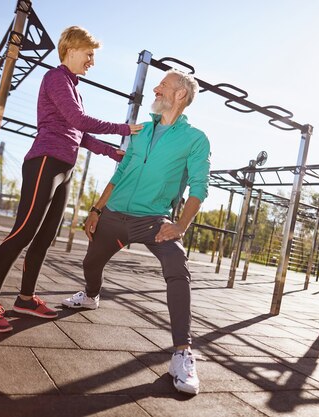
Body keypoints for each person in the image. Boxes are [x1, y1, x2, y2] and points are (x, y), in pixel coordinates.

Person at [0, 26, 142, 333]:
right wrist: (124, 128)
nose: (92, 61)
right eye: (89, 54)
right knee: (23, 231)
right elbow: (78, 120)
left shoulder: (74, 87)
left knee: (45, 237)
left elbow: (79, 132)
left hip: (64, 168)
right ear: (72, 49)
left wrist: (111, 152)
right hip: (45, 162)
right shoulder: (56, 78)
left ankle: (25, 298)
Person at [62, 69, 211, 395]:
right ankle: (90, 296)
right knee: (91, 265)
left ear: (180, 96)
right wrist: (97, 209)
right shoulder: (141, 131)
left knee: (177, 267)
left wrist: (180, 225)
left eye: (164, 85)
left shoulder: (195, 139)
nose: (156, 88)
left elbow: (200, 186)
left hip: (153, 220)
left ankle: (182, 352)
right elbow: (122, 171)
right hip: (115, 214)